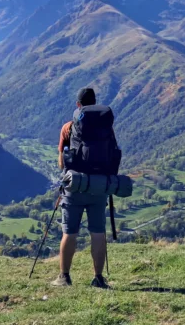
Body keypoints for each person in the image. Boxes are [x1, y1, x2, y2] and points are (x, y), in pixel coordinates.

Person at [52, 87, 114, 289]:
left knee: (70, 232)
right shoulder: (106, 128)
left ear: (78, 105)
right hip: (98, 186)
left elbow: (62, 163)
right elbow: (113, 154)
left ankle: (64, 277)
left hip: (75, 185)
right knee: (97, 232)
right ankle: (98, 278)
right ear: (95, 103)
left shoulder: (68, 127)